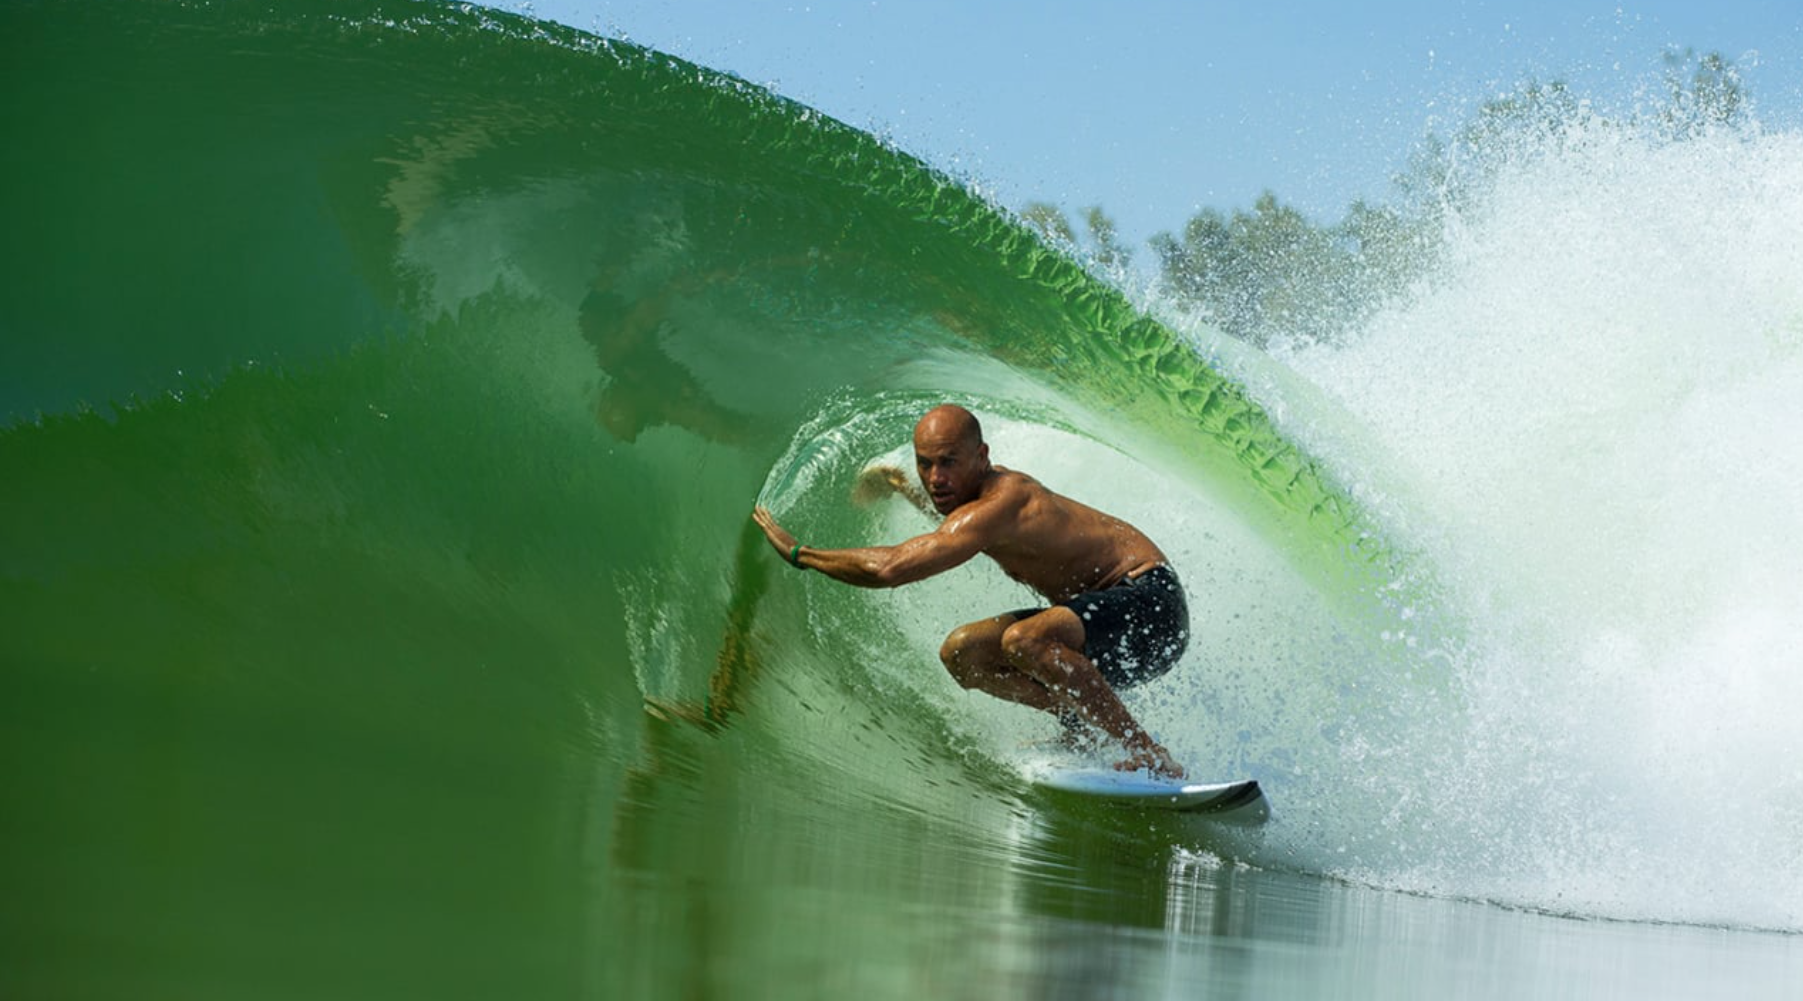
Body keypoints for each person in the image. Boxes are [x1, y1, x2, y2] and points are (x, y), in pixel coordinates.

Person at [752, 404, 1189, 778]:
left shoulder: (1004, 498)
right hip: (1101, 629)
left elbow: (891, 568)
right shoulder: (974, 509)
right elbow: (952, 533)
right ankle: (1075, 718)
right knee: (962, 654)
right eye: (925, 464)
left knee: (1026, 639)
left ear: (982, 456)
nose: (935, 477)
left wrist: (800, 553)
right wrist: (903, 486)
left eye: (948, 462)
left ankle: (1144, 749)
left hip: (1151, 605)